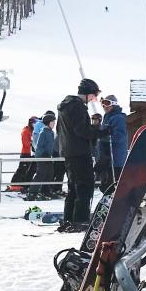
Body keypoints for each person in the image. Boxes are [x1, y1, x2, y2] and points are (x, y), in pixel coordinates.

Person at [58, 78, 101, 229]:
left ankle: (69, 218)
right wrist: (97, 130)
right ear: (88, 94)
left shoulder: (65, 106)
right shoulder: (77, 107)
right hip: (79, 152)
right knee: (84, 187)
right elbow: (81, 130)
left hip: (69, 152)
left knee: (73, 187)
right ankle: (80, 220)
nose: (93, 100)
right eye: (93, 96)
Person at [30, 111, 58, 202]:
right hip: (42, 156)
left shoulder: (51, 132)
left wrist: (53, 152)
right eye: (53, 122)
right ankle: (32, 193)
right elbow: (39, 146)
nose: (54, 124)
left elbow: (51, 145)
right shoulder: (43, 132)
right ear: (48, 122)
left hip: (48, 156)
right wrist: (43, 153)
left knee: (50, 173)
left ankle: (45, 191)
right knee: (41, 173)